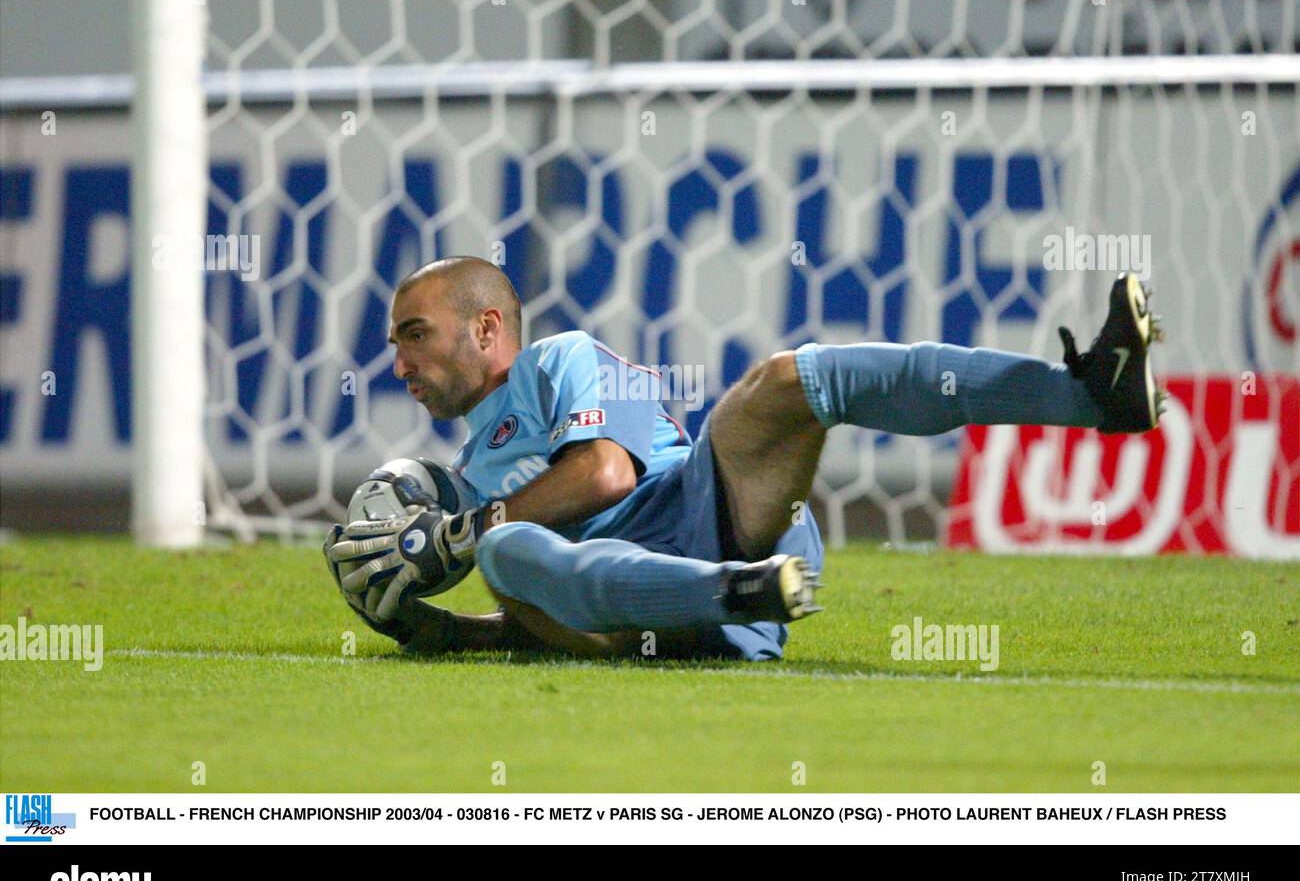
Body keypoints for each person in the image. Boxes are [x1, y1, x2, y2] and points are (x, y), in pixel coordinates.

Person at [324, 255, 1163, 661]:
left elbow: (609, 474)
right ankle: (735, 595)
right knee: (511, 554)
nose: (398, 362)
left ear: (485, 329)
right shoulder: (476, 475)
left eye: (413, 335)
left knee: (786, 380)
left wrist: (466, 532)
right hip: (651, 612)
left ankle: (1090, 395)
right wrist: (429, 625)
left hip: (701, 516)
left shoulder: (558, 361)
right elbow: (538, 622)